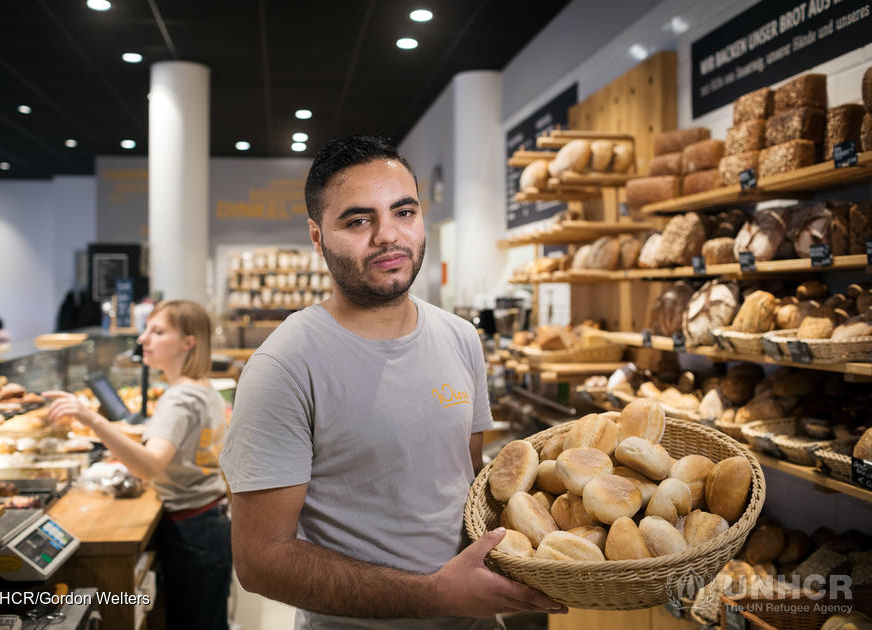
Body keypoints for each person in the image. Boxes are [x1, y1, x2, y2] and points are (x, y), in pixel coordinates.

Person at [219, 136, 566, 629]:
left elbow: (467, 485)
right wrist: (434, 595)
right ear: (317, 237)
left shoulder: (461, 338)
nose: (388, 235)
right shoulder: (285, 364)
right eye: (359, 220)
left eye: (403, 212)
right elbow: (260, 561)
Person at [45, 300, 231, 630]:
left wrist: (91, 419)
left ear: (188, 342)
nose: (143, 339)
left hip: (192, 531)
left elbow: (150, 467)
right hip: (210, 522)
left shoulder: (178, 398)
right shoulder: (204, 388)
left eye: (157, 332)